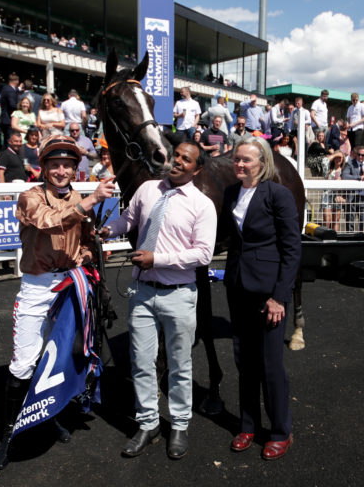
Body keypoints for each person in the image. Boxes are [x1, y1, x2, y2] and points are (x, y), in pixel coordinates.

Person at [0, 135, 116, 470]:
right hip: (36, 288)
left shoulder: (78, 197)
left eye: (68, 165)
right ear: (43, 167)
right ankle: (9, 430)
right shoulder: (30, 196)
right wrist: (89, 201)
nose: (62, 171)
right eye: (55, 164)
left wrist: (92, 246)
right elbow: (50, 222)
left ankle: (47, 416)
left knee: (59, 359)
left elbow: (85, 244)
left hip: (70, 287)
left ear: (75, 168)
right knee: (24, 362)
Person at [99, 141, 217, 460]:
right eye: (176, 154)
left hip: (178, 295)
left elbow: (203, 253)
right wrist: (108, 230)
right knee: (141, 362)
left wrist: (158, 259)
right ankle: (148, 423)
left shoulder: (202, 205)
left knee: (179, 364)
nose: (177, 161)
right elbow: (128, 220)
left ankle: (179, 424)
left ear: (197, 168)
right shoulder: (148, 189)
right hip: (142, 292)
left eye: (186, 159)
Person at [216, 137, 301, 461]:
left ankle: (280, 431)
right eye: (236, 159)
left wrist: (280, 297)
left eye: (246, 160)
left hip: (269, 293)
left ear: (262, 163)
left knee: (270, 364)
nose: (239, 164)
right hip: (237, 286)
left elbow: (292, 249)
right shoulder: (230, 192)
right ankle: (248, 425)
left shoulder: (278, 194)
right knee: (244, 361)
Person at [321, 152, 345, 231]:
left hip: (338, 196)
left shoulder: (345, 170)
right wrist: (335, 154)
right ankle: (325, 237)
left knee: (336, 220)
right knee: (327, 220)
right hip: (327, 196)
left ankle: (335, 238)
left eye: (340, 157)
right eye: (336, 157)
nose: (338, 159)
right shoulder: (328, 170)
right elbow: (324, 161)